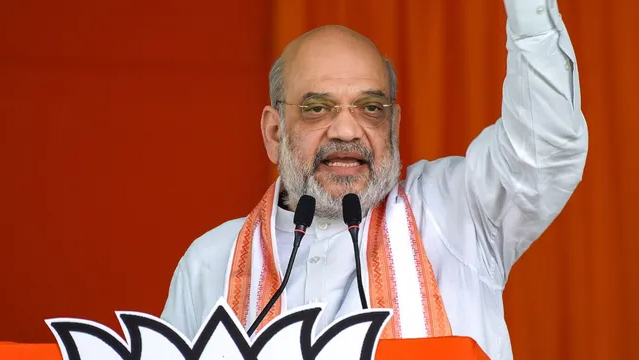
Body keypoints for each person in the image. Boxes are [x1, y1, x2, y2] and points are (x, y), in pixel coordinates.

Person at [160, 0, 588, 358]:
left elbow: (543, 148)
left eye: (370, 108)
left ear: (394, 125)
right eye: (317, 108)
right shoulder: (211, 263)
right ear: (274, 133)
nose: (346, 131)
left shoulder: (456, 213)